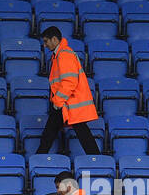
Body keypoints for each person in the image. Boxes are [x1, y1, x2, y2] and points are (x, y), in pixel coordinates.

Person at [36, 26, 103, 156]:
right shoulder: (61, 54)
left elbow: (69, 82)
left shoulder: (64, 55)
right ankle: (97, 159)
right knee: (54, 133)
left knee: (52, 133)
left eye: (46, 41)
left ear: (54, 39)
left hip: (68, 103)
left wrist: (58, 101)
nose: (45, 45)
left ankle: (39, 158)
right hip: (68, 103)